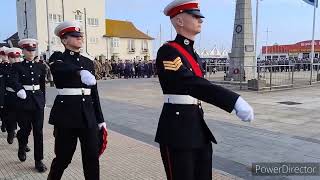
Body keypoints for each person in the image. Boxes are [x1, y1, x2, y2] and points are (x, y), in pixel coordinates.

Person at [155, 1, 254, 179]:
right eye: (194, 15)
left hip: (197, 127)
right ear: (179, 21)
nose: (200, 19)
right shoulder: (167, 51)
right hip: (177, 130)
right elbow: (190, 83)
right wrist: (233, 100)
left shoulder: (194, 55)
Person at [47, 21, 107, 180]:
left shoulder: (88, 62)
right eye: (75, 36)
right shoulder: (57, 58)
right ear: (64, 40)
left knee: (92, 158)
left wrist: (100, 119)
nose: (80, 38)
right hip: (66, 116)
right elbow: (59, 69)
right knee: (63, 158)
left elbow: (94, 93)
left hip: (88, 116)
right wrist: (79, 72)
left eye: (81, 36)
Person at [10, 39, 47, 172]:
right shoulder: (17, 66)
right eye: (28, 50)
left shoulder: (40, 67)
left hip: (37, 102)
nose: (31, 52)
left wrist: (43, 101)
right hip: (24, 102)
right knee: (25, 129)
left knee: (38, 132)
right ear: (23, 51)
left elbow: (42, 86)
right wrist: (19, 89)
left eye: (33, 50)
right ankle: (22, 145)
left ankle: (39, 160)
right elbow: (13, 80)